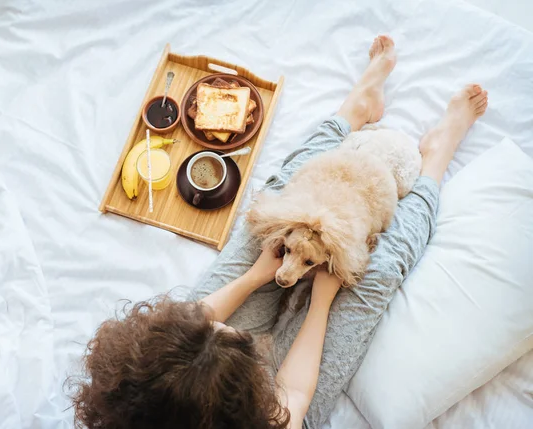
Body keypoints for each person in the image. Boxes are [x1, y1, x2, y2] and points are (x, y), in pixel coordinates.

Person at [71, 36, 488, 429]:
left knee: (273, 217)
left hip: (195, 381)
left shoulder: (141, 381)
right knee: (371, 277)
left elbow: (194, 321)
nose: (222, 322)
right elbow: (298, 393)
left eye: (216, 329)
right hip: (281, 408)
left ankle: (354, 111)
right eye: (222, 330)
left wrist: (254, 276)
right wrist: (321, 302)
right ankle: (435, 160)